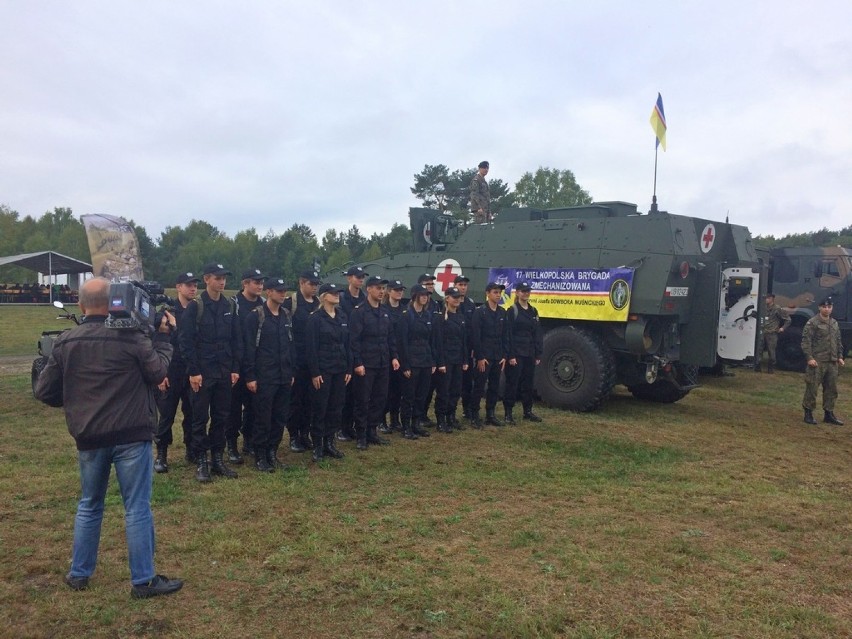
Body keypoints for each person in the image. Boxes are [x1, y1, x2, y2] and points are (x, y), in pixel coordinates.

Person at [34, 277, 184, 599]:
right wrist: (164, 338)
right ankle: (143, 581)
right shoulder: (132, 337)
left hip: (89, 437)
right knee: (137, 507)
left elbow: (44, 391)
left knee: (89, 505)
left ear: (82, 305)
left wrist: (76, 398)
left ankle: (79, 574)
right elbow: (158, 372)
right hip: (131, 434)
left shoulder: (66, 341)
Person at [179, 262, 243, 482]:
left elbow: (235, 340)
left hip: (224, 370)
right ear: (207, 279)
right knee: (199, 418)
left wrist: (235, 368)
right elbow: (186, 342)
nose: (222, 281)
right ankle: (201, 461)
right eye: (217, 277)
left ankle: (217, 458)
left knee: (221, 417)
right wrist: (194, 371)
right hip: (202, 372)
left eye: (224, 277)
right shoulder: (195, 307)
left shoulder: (229, 305)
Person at [243, 278, 295, 472]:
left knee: (279, 417)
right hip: (264, 376)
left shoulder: (287, 316)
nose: (283, 294)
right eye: (279, 291)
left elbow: (291, 346)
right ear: (269, 292)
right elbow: (248, 349)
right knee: (262, 417)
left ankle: (272, 452)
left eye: (285, 291)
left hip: (283, 375)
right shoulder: (256, 317)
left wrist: (292, 371)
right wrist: (250, 376)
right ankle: (260, 455)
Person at [154, 272, 201, 472]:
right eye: (188, 285)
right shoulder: (166, 312)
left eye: (195, 285)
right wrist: (160, 374)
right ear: (178, 287)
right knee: (167, 413)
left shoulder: (198, 310)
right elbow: (157, 343)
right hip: (171, 369)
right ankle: (161, 454)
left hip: (191, 369)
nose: (193, 288)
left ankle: (192, 449)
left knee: (192, 412)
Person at [350, 275, 400, 450]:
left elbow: (390, 337)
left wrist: (394, 356)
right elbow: (354, 340)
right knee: (363, 400)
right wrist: (357, 362)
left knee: (379, 398)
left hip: (383, 362)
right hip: (366, 363)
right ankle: (361, 434)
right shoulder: (359, 311)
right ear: (369, 289)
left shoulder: (384, 311)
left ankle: (372, 431)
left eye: (383, 288)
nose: (381, 291)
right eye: (378, 288)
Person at [306, 283, 351, 461]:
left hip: (340, 368)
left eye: (338, 293)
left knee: (336, 407)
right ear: (324, 296)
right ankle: (317, 444)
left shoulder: (342, 316)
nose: (336, 295)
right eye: (332, 293)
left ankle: (329, 442)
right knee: (320, 408)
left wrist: (349, 367)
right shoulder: (315, 319)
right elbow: (311, 348)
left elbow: (347, 345)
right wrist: (315, 373)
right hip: (323, 370)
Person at [226, 268, 266, 464]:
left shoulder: (264, 304)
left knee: (254, 406)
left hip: (257, 364)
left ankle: (248, 440)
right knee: (233, 408)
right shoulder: (234, 304)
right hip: (236, 363)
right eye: (255, 282)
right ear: (245, 283)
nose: (259, 285)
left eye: (261, 282)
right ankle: (231, 444)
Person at [283, 270, 321, 453]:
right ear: (301, 283)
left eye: (316, 285)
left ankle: (305, 433)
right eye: (311, 284)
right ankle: (293, 435)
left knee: (311, 400)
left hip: (313, 362)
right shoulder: (291, 303)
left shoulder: (319, 304)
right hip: (296, 360)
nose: (314, 287)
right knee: (295, 400)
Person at [398, 284, 442, 439]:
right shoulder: (406, 315)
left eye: (427, 295)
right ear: (415, 295)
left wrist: (432, 362)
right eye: (422, 294)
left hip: (425, 361)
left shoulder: (429, 316)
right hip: (412, 361)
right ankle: (406, 426)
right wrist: (405, 365)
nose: (425, 297)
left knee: (421, 395)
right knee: (409, 396)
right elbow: (402, 342)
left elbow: (432, 341)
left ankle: (416, 424)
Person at [503, 282, 544, 424]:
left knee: (528, 384)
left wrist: (538, 353)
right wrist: (511, 355)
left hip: (530, 353)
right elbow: (508, 334)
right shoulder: (512, 310)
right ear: (518, 293)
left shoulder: (533, 311)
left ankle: (528, 411)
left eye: (528, 291)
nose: (526, 293)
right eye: (523, 291)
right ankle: (508, 413)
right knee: (512, 384)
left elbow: (537, 333)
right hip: (517, 354)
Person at [801, 297, 845, 425]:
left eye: (829, 307)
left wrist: (840, 357)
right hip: (817, 361)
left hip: (832, 362)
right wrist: (809, 358)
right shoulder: (812, 323)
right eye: (824, 307)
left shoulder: (834, 323)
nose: (827, 309)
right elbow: (806, 342)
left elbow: (838, 341)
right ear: (819, 308)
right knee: (812, 388)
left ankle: (829, 414)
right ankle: (808, 413)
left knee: (831, 389)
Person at [470, 282, 509, 428]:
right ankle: (474, 415)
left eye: (499, 293)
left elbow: (505, 335)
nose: (498, 295)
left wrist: (504, 355)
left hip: (497, 356)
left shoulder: (502, 313)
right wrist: (479, 357)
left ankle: (490, 414)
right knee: (479, 386)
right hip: (484, 356)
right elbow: (476, 336)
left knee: (494, 386)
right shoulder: (480, 312)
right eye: (495, 292)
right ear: (487, 293)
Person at [337, 266, 368, 442]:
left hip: (360, 349)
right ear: (349, 278)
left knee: (359, 394)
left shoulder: (364, 299)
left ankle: (353, 426)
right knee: (345, 394)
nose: (360, 280)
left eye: (362, 277)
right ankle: (343, 427)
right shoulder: (342, 299)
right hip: (345, 347)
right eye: (357, 277)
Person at [434, 286, 468, 433]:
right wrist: (440, 362)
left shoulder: (461, 317)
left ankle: (451, 417)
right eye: (454, 297)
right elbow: (438, 342)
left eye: (459, 297)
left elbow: (464, 341)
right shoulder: (440, 318)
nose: (457, 300)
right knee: (444, 391)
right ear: (447, 298)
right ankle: (441, 420)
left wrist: (465, 360)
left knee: (455, 390)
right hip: (446, 360)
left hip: (458, 359)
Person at [380, 280, 406, 434]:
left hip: (401, 355)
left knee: (398, 390)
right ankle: (381, 420)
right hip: (386, 354)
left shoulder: (404, 310)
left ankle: (395, 420)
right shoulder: (383, 310)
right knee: (385, 391)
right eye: (396, 290)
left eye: (401, 290)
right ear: (389, 292)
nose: (399, 292)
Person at [454, 275, 477, 419]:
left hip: (467, 348)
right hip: (455, 348)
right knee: (455, 383)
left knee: (468, 381)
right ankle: (450, 412)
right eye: (460, 284)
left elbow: (474, 327)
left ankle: (466, 409)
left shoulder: (470, 304)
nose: (463, 287)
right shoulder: (452, 302)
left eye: (465, 285)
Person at [755, 293, 790, 373]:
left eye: (767, 298)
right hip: (762, 332)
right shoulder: (762, 307)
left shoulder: (777, 308)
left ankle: (770, 367)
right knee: (759, 349)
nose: (766, 299)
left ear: (771, 299)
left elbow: (788, 319)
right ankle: (758, 366)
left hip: (772, 333)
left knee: (771, 351)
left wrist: (782, 328)